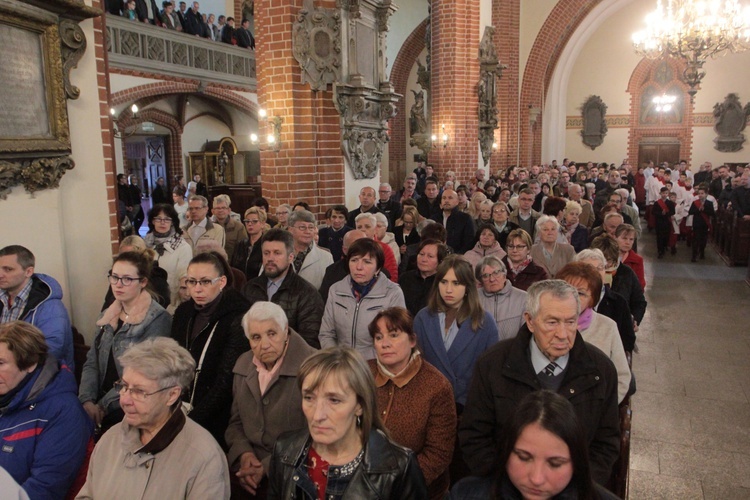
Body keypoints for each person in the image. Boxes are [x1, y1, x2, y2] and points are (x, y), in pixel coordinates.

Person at [459, 280, 620, 486]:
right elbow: (475, 436)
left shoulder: (601, 370)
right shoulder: (492, 364)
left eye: (571, 322)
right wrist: (508, 485)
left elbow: (606, 444)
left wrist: (575, 489)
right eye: (552, 322)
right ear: (530, 321)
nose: (563, 334)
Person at [76, 338, 230, 499]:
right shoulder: (110, 439)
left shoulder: (204, 457)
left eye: (139, 391)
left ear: (172, 395)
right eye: (124, 386)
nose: (124, 400)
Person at [266, 347, 428, 498]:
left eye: (334, 400)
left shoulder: (398, 467)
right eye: (309, 398)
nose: (317, 415)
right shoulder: (285, 450)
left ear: (359, 405)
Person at [452, 391, 618, 499]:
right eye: (524, 458)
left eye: (555, 464)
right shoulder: (465, 495)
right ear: (506, 450)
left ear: (576, 461)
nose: (536, 479)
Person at [225, 302, 317, 498]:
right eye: (256, 337)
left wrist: (266, 466)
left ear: (286, 331)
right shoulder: (243, 363)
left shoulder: (313, 366)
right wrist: (244, 455)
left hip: (296, 471)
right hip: (246, 469)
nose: (264, 344)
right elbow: (236, 423)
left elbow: (315, 432)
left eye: (272, 334)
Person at [367, 308, 457, 499]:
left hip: (416, 490)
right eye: (378, 337)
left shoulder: (436, 385)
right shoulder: (363, 372)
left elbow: (438, 453)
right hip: (363, 484)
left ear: (412, 340)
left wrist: (398, 485)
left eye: (393, 335)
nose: (385, 344)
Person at [79, 250, 172, 434]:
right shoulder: (107, 315)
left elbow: (145, 372)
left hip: (131, 402)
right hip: (99, 399)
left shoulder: (157, 318)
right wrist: (87, 400)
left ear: (143, 282)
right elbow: (92, 362)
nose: (118, 285)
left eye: (127, 279)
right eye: (114, 277)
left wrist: (102, 406)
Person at [0, 322, 91, 500]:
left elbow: (44, 489)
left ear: (30, 364)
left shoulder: (63, 412)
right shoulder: (8, 392)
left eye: (1, 363)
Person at [170, 251, 250, 447]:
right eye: (191, 282)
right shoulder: (183, 312)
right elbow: (171, 360)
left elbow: (225, 382)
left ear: (221, 282)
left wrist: (191, 420)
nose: (197, 289)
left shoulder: (238, 317)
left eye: (205, 282)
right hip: (179, 402)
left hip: (218, 413)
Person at [413, 255, 498, 409]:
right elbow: (414, 364)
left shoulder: (484, 322)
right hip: (428, 403)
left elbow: (492, 373)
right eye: (444, 282)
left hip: (468, 406)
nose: (449, 289)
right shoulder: (423, 318)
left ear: (468, 287)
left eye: (456, 283)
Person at [556, 262, 632, 403]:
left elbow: (621, 377)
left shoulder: (607, 327)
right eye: (566, 290)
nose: (571, 297)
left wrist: (602, 410)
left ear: (593, 299)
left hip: (593, 408)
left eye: (580, 293)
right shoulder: (544, 324)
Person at [319, 238, 405, 360]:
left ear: (378, 268)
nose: (359, 267)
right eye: (354, 260)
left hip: (377, 367)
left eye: (367, 262)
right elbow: (327, 333)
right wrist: (337, 361)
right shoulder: (336, 290)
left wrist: (368, 366)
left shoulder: (392, 293)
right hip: (341, 365)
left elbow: (396, 338)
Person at [242, 229, 324, 349]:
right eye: (266, 253)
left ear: (290, 257)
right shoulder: (249, 288)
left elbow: (310, 341)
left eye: (277, 253)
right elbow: (240, 332)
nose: (270, 258)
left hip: (290, 362)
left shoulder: (307, 293)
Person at [0, 245, 74, 367]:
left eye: (8, 269)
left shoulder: (51, 306)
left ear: (28, 271)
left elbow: (50, 352)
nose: (0, 274)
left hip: (40, 375)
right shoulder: (3, 297)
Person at [144, 204, 193, 300]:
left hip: (172, 298)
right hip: (147, 296)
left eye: (167, 219)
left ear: (172, 222)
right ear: (153, 221)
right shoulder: (145, 245)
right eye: (158, 219)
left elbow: (184, 276)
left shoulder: (183, 247)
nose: (162, 223)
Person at [475, 256, 527, 341]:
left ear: (504, 274)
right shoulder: (474, 298)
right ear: (480, 280)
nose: (492, 279)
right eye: (486, 276)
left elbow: (525, 336)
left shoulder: (523, 298)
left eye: (496, 273)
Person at [399, 239, 448, 317]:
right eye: (421, 254)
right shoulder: (405, 278)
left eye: (430, 256)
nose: (424, 259)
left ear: (440, 261)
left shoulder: (444, 283)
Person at [290, 210, 334, 290]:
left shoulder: (326, 257)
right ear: (291, 229)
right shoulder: (278, 253)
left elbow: (330, 289)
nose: (307, 231)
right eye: (302, 227)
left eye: (311, 227)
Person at [355, 212, 399, 282]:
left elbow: (392, 275)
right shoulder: (352, 248)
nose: (363, 229)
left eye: (367, 226)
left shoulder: (385, 249)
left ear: (375, 230)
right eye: (359, 227)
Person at [432, 188, 476, 254]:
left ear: (457, 201)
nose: (446, 201)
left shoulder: (465, 219)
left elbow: (469, 242)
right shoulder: (434, 218)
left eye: (450, 198)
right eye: (444, 198)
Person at [232, 207, 266, 280]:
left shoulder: (266, 245)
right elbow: (233, 267)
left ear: (262, 224)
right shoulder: (240, 244)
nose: (250, 224)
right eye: (247, 221)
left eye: (254, 221)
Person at [212, 194, 247, 263]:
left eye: (223, 208)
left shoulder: (239, 227)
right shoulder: (210, 227)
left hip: (232, 265)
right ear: (213, 211)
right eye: (218, 208)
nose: (220, 210)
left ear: (229, 210)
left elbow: (243, 250)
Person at [688, 185, 715, 262]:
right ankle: (694, 255)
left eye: (702, 193)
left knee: (703, 240)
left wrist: (704, 210)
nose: (700, 195)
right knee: (695, 240)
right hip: (696, 224)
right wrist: (699, 210)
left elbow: (712, 213)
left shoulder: (709, 203)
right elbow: (690, 212)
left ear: (706, 194)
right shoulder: (695, 202)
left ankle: (702, 252)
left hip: (704, 224)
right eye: (699, 193)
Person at [615, 224, 645, 289]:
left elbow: (640, 285)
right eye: (624, 238)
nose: (628, 242)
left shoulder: (637, 260)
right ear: (615, 238)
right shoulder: (606, 257)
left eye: (631, 239)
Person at [653, 186, 676, 258]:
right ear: (660, 193)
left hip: (667, 222)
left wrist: (666, 213)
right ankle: (660, 251)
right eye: (663, 193)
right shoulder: (657, 203)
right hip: (659, 222)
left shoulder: (670, 203)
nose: (664, 195)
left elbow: (673, 212)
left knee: (666, 236)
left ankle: (665, 246)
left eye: (666, 193)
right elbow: (653, 212)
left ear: (668, 194)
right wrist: (660, 213)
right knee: (659, 237)